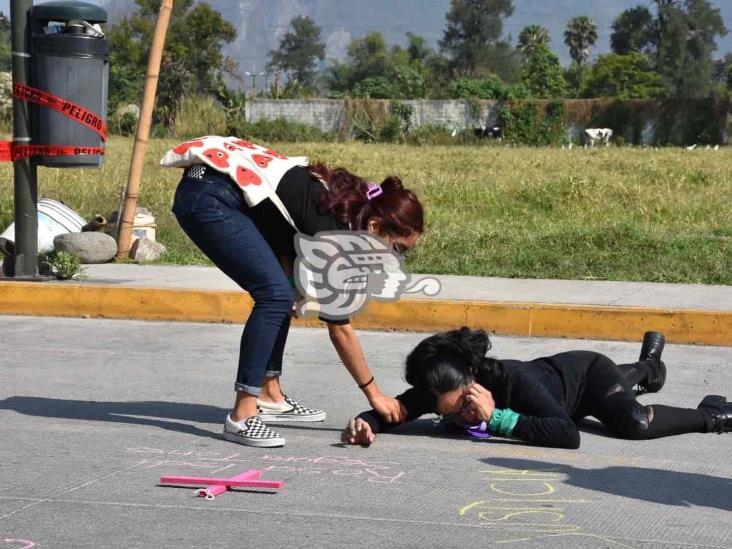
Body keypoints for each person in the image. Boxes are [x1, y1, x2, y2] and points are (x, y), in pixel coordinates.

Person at [163, 136, 422, 447]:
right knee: (274, 295)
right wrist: (375, 394)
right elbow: (340, 330)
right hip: (210, 198)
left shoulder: (350, 208)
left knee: (283, 290)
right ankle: (242, 416)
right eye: (397, 249)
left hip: (218, 188)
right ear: (375, 225)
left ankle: (270, 394)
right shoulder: (337, 237)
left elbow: (283, 224)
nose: (395, 259)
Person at [342, 328, 731, 448]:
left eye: (464, 404)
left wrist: (497, 419)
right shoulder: (440, 391)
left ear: (473, 381)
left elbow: (567, 433)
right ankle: (648, 367)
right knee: (619, 392)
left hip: (587, 372)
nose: (462, 415)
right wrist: (366, 423)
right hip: (563, 386)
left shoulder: (513, 381)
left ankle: (713, 413)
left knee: (632, 422)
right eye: (450, 414)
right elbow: (397, 410)